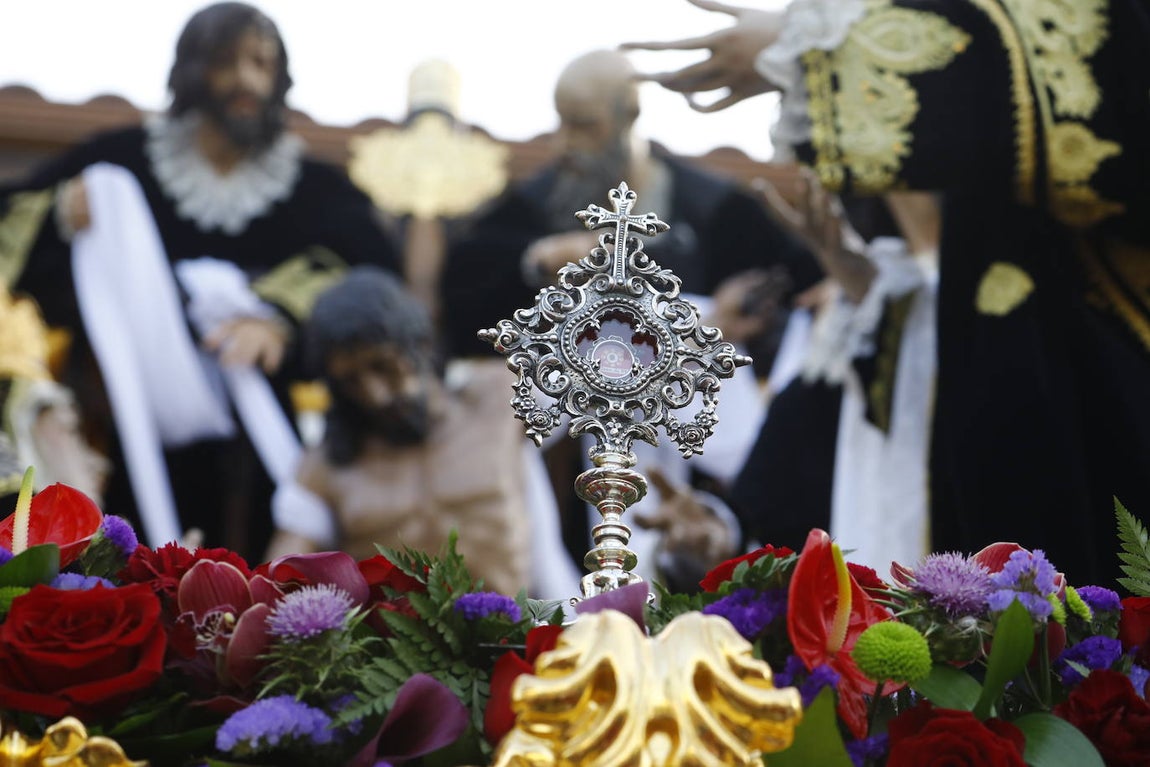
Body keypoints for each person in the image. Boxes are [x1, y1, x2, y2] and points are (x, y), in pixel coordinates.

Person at [625, 0, 1150, 586]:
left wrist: (818, 53)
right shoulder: (880, 309)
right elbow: (796, 483)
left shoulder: (1014, 295)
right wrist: (719, 526)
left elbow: (1106, 73)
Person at [0, 2, 401, 560]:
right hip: (121, 421)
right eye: (226, 62)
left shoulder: (315, 188)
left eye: (262, 64)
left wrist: (277, 318)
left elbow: (370, 274)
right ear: (191, 69)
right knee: (127, 565)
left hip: (259, 427)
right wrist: (60, 212)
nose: (246, 80)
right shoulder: (121, 161)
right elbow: (12, 233)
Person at [441, 47, 821, 585]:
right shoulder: (531, 208)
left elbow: (795, 292)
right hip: (567, 473)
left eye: (586, 126)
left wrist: (719, 324)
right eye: (563, 125)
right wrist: (539, 261)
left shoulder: (716, 211)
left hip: (694, 478)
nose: (569, 145)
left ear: (630, 116)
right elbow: (465, 303)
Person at [263, 266, 581, 599]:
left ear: (421, 343)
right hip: (403, 649)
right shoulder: (325, 468)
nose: (376, 395)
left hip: (529, 638)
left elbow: (613, 391)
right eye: (350, 382)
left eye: (383, 365)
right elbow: (275, 584)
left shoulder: (502, 397)